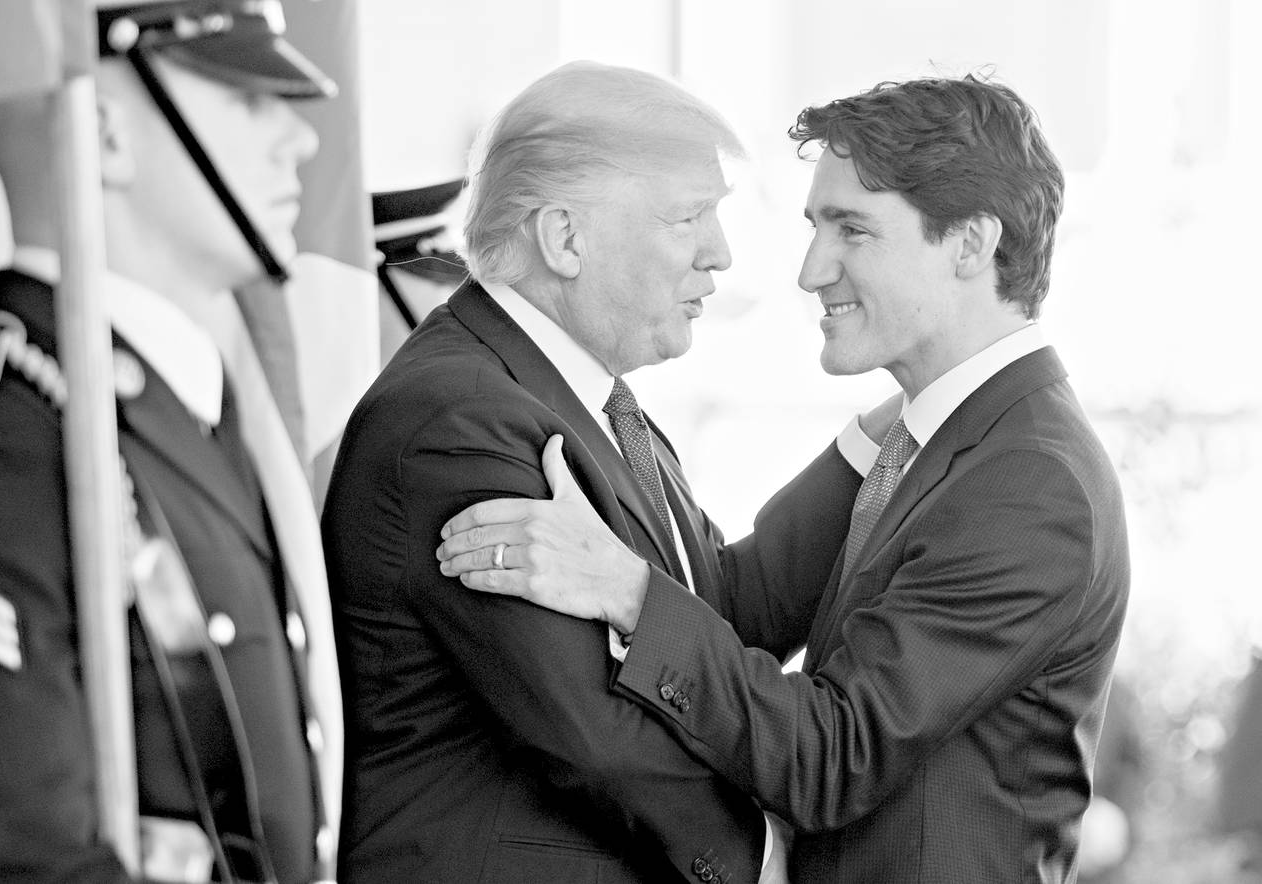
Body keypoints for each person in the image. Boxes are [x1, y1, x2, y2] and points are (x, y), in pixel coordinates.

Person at [438, 74, 1132, 883]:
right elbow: (735, 610)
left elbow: (834, 755)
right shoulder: (942, 440)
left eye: (852, 230)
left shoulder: (1030, 483)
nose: (811, 270)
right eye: (815, 226)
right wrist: (885, 434)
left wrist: (628, 590)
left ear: (970, 245)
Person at [321, 61, 873, 883]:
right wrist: (764, 859)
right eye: (687, 217)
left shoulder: (592, 403)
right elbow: (596, 730)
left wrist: (883, 438)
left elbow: (714, 614)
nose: (719, 254)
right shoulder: (460, 423)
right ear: (566, 238)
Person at [0, 1, 343, 880]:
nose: (300, 140)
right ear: (105, 137)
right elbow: (30, 853)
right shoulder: (17, 432)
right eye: (249, 99)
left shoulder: (196, 408)